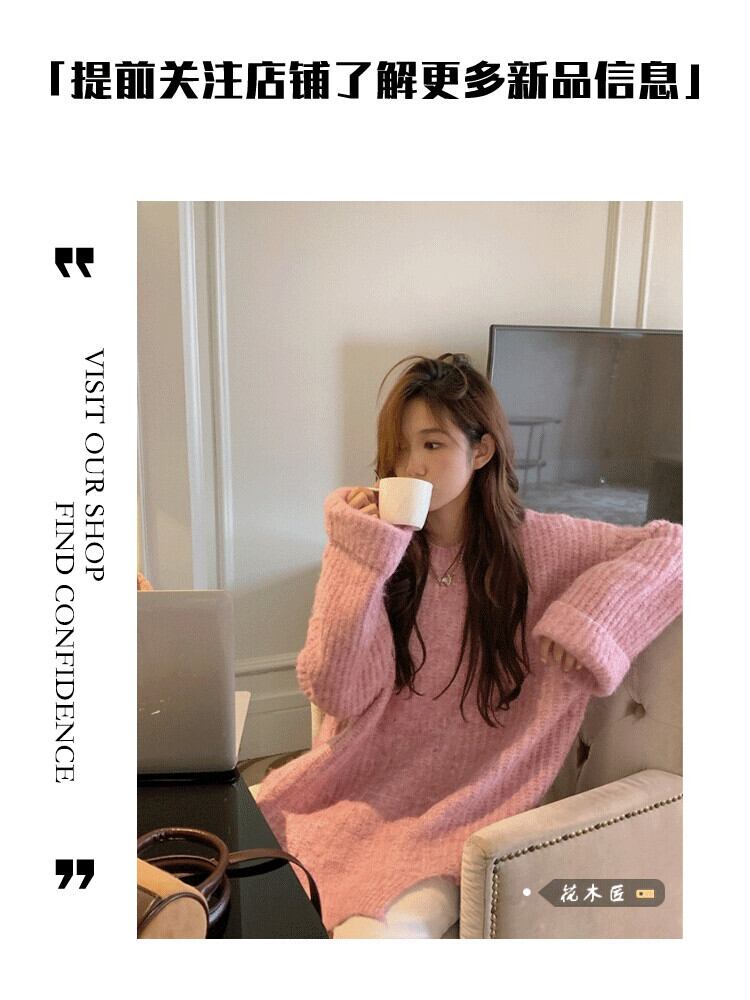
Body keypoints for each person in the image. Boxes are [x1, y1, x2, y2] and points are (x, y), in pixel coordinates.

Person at [253, 352, 683, 938]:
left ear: (481, 452)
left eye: (432, 444)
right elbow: (337, 693)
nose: (411, 465)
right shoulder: (377, 545)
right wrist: (357, 553)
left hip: (469, 800)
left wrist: (589, 618)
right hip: (357, 780)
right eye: (398, 449)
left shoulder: (543, 544)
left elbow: (676, 546)